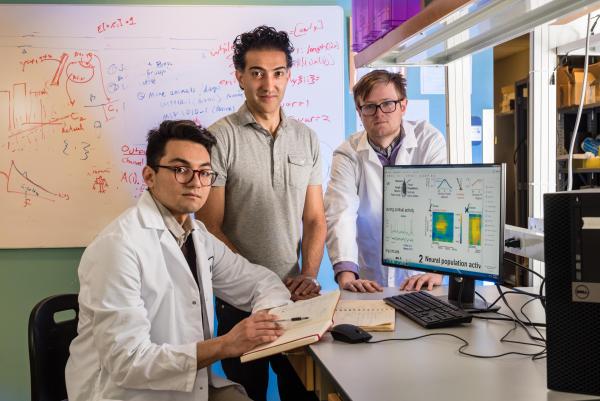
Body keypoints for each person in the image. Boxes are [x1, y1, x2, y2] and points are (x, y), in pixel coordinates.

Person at [65, 120, 293, 401]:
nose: (196, 182)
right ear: (149, 176)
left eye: (204, 172)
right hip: (127, 393)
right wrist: (225, 345)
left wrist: (264, 316)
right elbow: (128, 363)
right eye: (180, 170)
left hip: (186, 385)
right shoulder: (118, 247)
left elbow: (261, 281)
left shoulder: (197, 236)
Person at [196, 26, 325, 401]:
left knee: (302, 391)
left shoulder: (307, 138)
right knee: (247, 394)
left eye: (278, 72)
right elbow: (210, 225)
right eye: (256, 72)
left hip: (294, 294)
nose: (269, 84)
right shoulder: (219, 138)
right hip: (239, 301)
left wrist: (310, 275)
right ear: (240, 76)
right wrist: (257, 284)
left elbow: (315, 218)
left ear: (288, 75)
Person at [325, 69, 447, 293]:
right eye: (369, 107)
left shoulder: (428, 140)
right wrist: (347, 276)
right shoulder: (347, 154)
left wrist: (437, 269)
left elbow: (441, 205)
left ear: (403, 106)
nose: (379, 113)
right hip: (370, 279)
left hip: (423, 275)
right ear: (359, 112)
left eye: (388, 103)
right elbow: (340, 213)